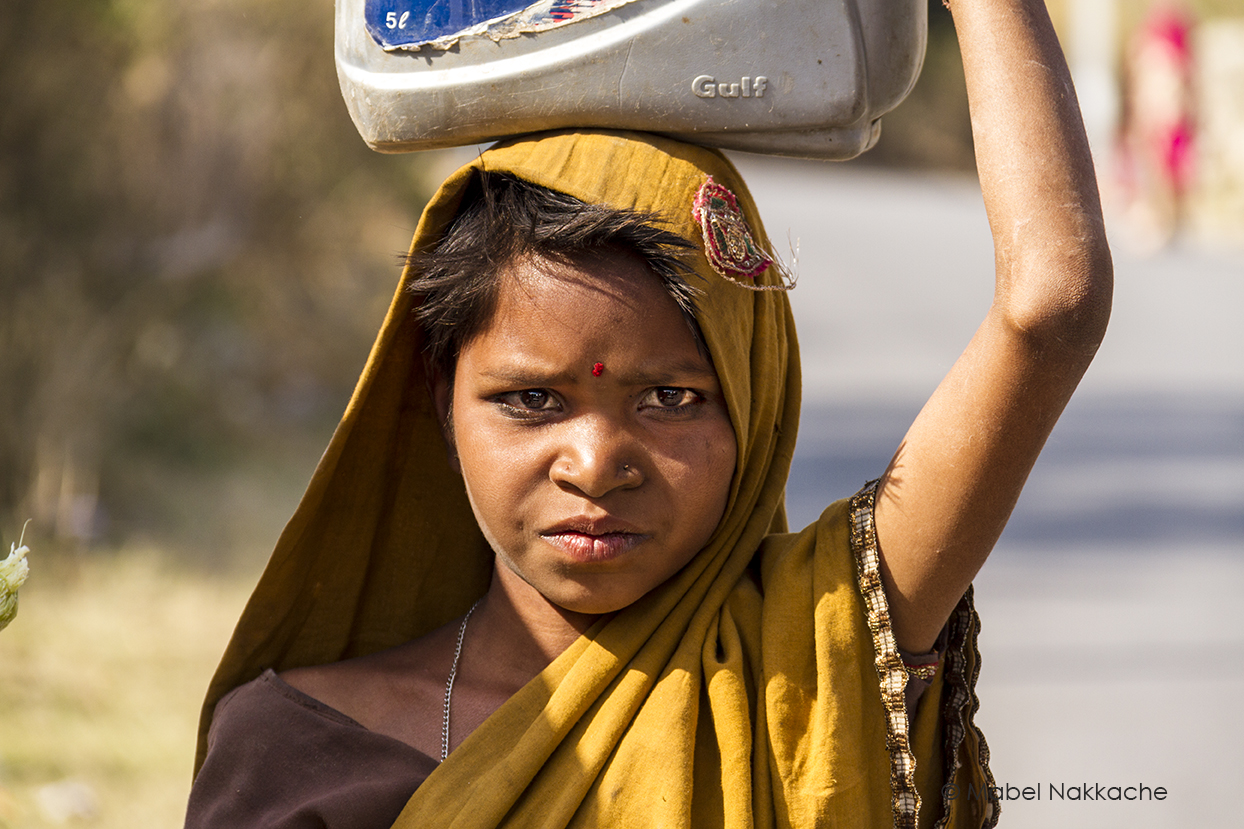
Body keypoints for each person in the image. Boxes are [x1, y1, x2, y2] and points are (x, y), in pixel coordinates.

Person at [185, 1, 1112, 827]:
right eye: (531, 400)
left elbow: (1052, 303)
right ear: (440, 400)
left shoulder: (808, 653)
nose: (595, 463)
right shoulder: (293, 746)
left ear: (753, 402)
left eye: (671, 399)